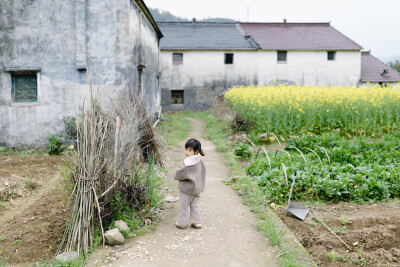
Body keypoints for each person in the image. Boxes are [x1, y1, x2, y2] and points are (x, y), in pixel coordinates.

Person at [174, 138, 206, 229]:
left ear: (196, 151)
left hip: (187, 189)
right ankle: (196, 222)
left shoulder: (189, 162)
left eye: (190, 150)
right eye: (186, 149)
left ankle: (182, 223)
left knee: (183, 206)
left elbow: (182, 173)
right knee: (194, 205)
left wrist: (176, 174)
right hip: (196, 189)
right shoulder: (199, 160)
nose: (187, 152)